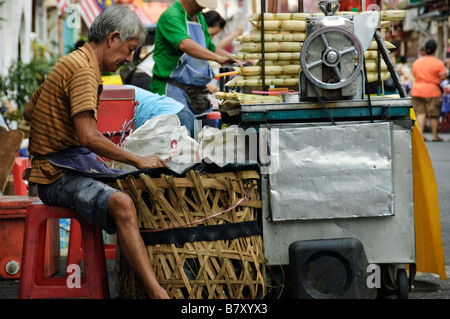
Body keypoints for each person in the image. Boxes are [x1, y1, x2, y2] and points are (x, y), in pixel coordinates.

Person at [23, 6, 170, 299]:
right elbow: (87, 136)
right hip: (55, 178)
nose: (128, 59)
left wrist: (58, 128)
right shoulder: (84, 72)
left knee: (130, 188)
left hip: (56, 168)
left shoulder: (71, 60)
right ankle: (157, 293)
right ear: (113, 38)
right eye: (129, 50)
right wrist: (138, 158)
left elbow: (29, 111)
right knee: (124, 205)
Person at [149, 0, 239, 125]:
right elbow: (185, 44)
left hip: (197, 91)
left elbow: (210, 47)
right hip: (171, 88)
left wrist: (234, 58)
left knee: (206, 134)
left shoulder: (199, 17)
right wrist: (217, 58)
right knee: (178, 136)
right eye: (199, 5)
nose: (202, 9)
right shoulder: (172, 15)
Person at [411, 39, 448, 142]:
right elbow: (443, 76)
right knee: (434, 115)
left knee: (420, 113)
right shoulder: (438, 63)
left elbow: (414, 75)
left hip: (417, 90)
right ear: (435, 50)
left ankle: (420, 135)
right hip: (433, 91)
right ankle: (435, 135)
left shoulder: (417, 62)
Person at [125, 84, 196, 135]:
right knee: (195, 153)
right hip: (184, 111)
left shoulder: (118, 97)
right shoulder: (127, 88)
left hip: (168, 120)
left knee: (178, 154)